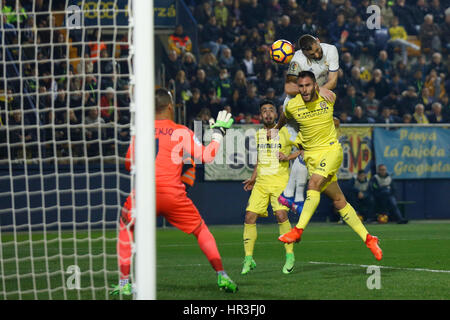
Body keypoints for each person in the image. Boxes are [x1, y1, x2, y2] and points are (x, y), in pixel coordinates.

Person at [110, 89, 237, 295]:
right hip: (172, 195)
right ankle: (222, 274)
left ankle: (125, 283)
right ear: (170, 107)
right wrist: (218, 135)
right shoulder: (182, 131)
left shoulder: (140, 131)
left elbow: (127, 163)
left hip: (143, 195)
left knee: (126, 228)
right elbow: (206, 157)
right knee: (201, 231)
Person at [275, 71, 383, 261]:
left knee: (313, 185)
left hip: (331, 151)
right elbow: (285, 116)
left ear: (315, 85)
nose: (304, 90)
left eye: (308, 85)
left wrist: (323, 88)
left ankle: (298, 230)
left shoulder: (328, 98)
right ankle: (369, 238)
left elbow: (333, 81)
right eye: (301, 86)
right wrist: (276, 129)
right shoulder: (293, 106)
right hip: (311, 158)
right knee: (339, 200)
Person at [278, 34, 338, 215]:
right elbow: (288, 88)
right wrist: (317, 89)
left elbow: (333, 81)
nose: (318, 55)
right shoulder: (297, 60)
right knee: (307, 150)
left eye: (318, 50)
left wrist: (319, 92)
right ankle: (293, 196)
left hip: (314, 104)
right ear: (304, 53)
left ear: (319, 42)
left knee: (307, 151)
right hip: (296, 105)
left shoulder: (331, 50)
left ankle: (291, 197)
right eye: (313, 54)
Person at [241, 100, 302, 275]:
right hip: (261, 183)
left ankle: (290, 256)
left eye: (270, 110)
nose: (267, 113)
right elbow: (260, 158)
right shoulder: (259, 134)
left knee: (280, 214)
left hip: (280, 181)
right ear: (260, 116)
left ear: (276, 114)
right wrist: (253, 178)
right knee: (249, 216)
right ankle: (248, 258)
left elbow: (304, 149)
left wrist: (288, 157)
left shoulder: (286, 132)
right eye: (264, 111)